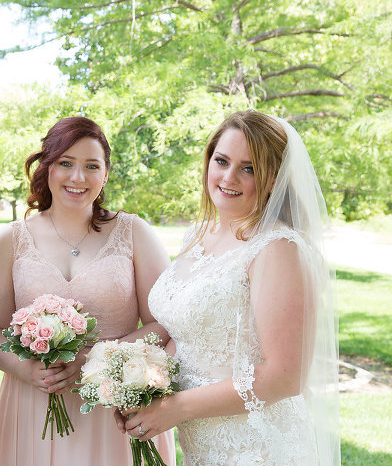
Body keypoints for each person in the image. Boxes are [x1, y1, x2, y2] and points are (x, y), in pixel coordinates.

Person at [118, 110, 340, 465]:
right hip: (202, 443)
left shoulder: (277, 248)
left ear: (273, 179)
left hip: (255, 445)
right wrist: (127, 376)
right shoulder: (198, 235)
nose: (228, 177)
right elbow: (186, 335)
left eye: (248, 168)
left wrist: (177, 407)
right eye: (221, 161)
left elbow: (286, 376)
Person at [0, 116, 176, 466]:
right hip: (34, 403)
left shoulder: (133, 233)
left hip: (115, 402)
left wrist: (92, 359)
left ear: (106, 174)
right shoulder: (12, 239)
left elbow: (165, 323)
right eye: (65, 163)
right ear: (47, 167)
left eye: (91, 166)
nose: (77, 177)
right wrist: (26, 370)